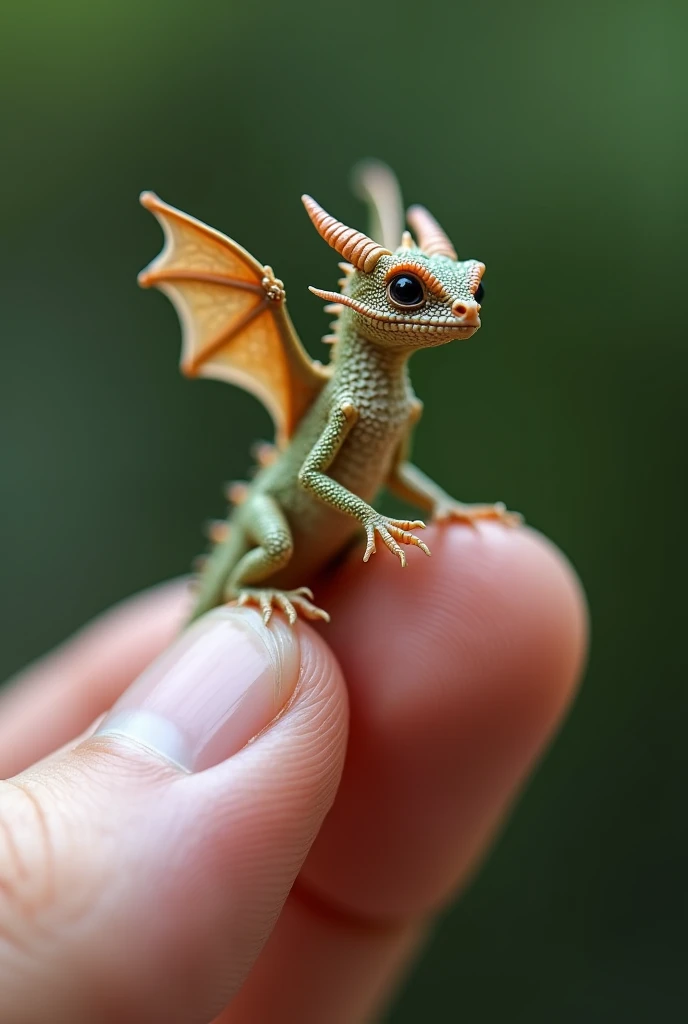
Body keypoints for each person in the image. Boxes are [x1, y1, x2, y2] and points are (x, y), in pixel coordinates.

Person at [0, 523, 586, 1023]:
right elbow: (313, 477)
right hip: (270, 544)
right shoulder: (343, 409)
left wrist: (439, 513)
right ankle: (255, 589)